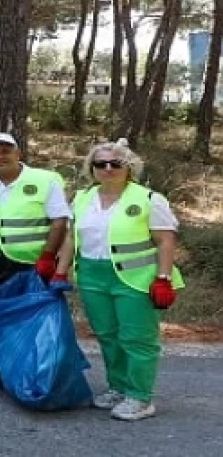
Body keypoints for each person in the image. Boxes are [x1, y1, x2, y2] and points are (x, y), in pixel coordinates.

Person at [55, 140, 184, 422]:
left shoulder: (149, 199)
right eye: (100, 164)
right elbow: (71, 237)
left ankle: (140, 396)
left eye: (116, 164)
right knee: (108, 335)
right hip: (92, 276)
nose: (108, 169)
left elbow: (165, 241)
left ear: (129, 167)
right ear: (92, 168)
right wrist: (60, 271)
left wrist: (163, 278)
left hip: (135, 280)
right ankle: (118, 387)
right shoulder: (82, 198)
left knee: (137, 338)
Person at [0, 132, 70, 295]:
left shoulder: (45, 179)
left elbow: (59, 221)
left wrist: (48, 256)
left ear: (18, 153)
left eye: (5, 151)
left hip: (33, 261)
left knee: (31, 313)